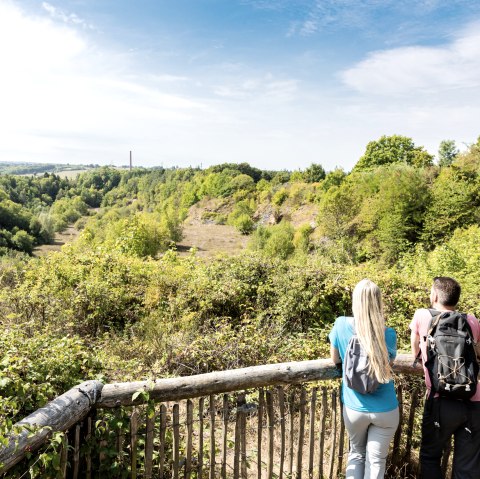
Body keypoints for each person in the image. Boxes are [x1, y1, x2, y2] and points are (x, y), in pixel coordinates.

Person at [410, 276, 480, 478]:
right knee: (467, 466)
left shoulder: (423, 315)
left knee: (431, 457)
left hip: (440, 400)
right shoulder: (471, 320)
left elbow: (415, 350)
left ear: (434, 294)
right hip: (473, 400)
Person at [329, 279, 399, 479]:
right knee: (376, 461)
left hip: (354, 408)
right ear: (378, 302)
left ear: (355, 301)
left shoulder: (341, 324)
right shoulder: (388, 333)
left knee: (357, 454)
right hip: (386, 409)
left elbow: (335, 358)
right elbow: (389, 364)